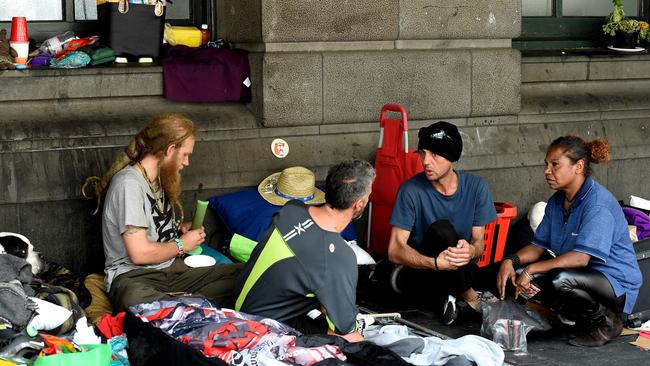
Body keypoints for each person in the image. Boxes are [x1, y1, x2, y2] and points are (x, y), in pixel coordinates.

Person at [82, 113, 241, 310]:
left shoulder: (159, 178)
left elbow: (154, 229)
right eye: (185, 155)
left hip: (172, 270)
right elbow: (139, 254)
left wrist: (178, 230)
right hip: (135, 278)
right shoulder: (128, 184)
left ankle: (183, 304)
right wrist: (182, 244)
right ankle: (184, 305)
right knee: (138, 302)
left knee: (246, 276)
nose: (186, 163)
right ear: (170, 149)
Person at [496, 136, 642, 347]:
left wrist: (532, 269)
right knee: (518, 276)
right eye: (546, 164)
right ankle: (574, 316)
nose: (547, 170)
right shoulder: (557, 201)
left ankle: (607, 321)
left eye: (555, 164)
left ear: (578, 166)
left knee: (559, 279)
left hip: (616, 283)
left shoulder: (597, 204)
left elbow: (581, 259)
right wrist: (511, 261)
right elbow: (538, 246)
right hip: (583, 276)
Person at [232, 159, 375, 342]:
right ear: (359, 204)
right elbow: (343, 328)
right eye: (368, 196)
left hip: (241, 304)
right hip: (260, 329)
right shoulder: (339, 259)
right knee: (350, 339)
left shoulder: (292, 210)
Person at [387, 121, 497, 325]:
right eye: (422, 153)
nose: (426, 161)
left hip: (458, 269)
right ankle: (470, 298)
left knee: (497, 272)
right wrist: (436, 263)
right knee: (442, 230)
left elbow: (479, 243)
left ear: (451, 157)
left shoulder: (476, 187)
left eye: (435, 155)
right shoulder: (410, 190)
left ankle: (454, 305)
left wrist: (470, 251)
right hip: (423, 271)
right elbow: (394, 250)